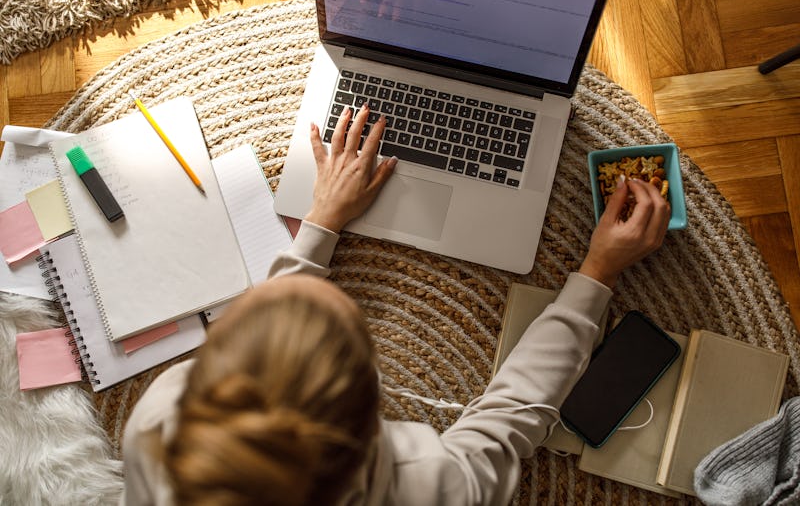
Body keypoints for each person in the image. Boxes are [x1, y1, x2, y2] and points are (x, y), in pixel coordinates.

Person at [120, 105, 671, 506]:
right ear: (368, 427)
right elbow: (509, 421)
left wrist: (322, 219)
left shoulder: (156, 422)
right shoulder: (425, 487)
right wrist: (599, 271)